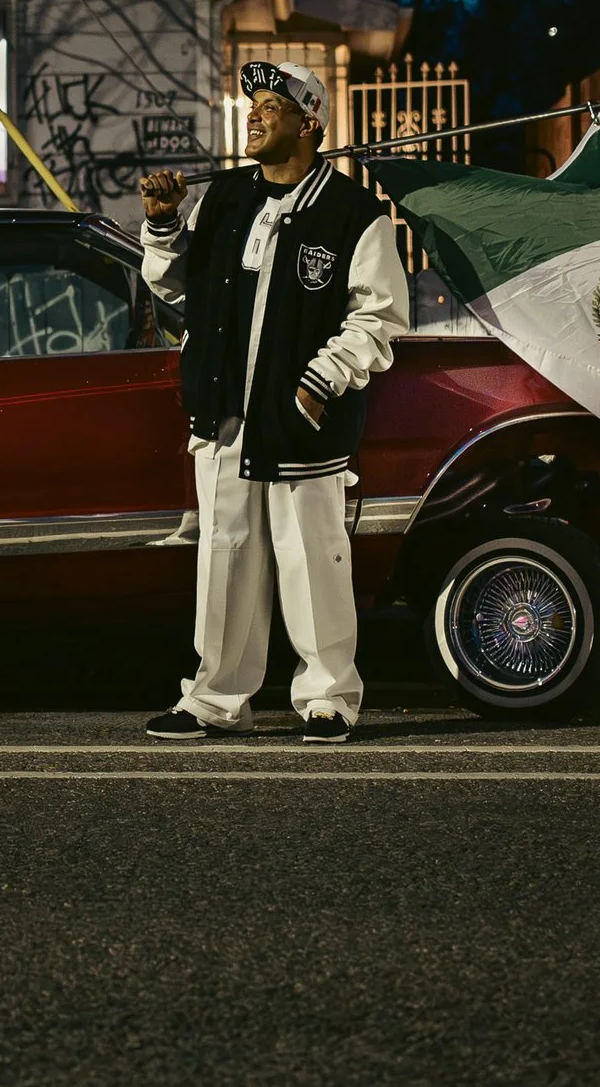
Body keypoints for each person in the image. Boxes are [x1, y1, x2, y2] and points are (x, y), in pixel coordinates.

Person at [138, 60, 409, 743]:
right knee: (224, 557)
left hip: (301, 424)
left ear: (308, 123)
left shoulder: (354, 214)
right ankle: (214, 700)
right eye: (251, 104)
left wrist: (318, 385)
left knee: (312, 558)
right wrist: (165, 226)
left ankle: (328, 698)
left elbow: (380, 316)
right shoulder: (223, 199)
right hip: (225, 417)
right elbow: (178, 298)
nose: (253, 115)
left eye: (269, 104)